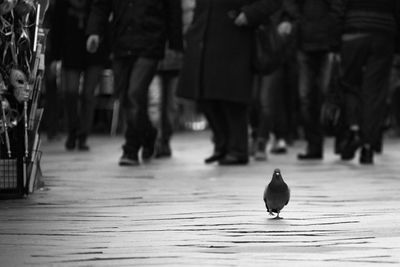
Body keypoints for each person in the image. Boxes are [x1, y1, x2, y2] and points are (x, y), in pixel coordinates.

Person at [177, 0, 282, 165]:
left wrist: (249, 14)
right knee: (205, 96)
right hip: (203, 36)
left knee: (232, 98)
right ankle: (222, 144)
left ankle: (237, 149)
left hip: (235, 37)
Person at [86, 0, 183, 166]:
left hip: (150, 42)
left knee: (135, 93)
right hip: (121, 41)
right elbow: (101, 4)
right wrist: (94, 31)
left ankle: (130, 148)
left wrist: (175, 43)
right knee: (125, 97)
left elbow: (172, 8)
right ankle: (149, 134)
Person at [332, 0, 400, 164]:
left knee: (350, 85)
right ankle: (368, 146)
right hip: (383, 33)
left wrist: (334, 43)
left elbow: (337, 8)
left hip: (353, 33)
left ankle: (354, 130)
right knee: (374, 92)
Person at [284, 0, 339, 160]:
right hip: (306, 41)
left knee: (319, 96)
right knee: (307, 97)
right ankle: (314, 144)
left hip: (323, 41)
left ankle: (317, 143)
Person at [52, 0, 109, 151]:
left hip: (95, 51)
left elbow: (105, 20)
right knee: (70, 94)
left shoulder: (97, 4)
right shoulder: (63, 4)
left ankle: (83, 135)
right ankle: (73, 131)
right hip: (70, 50)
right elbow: (57, 25)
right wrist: (55, 56)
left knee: (88, 95)